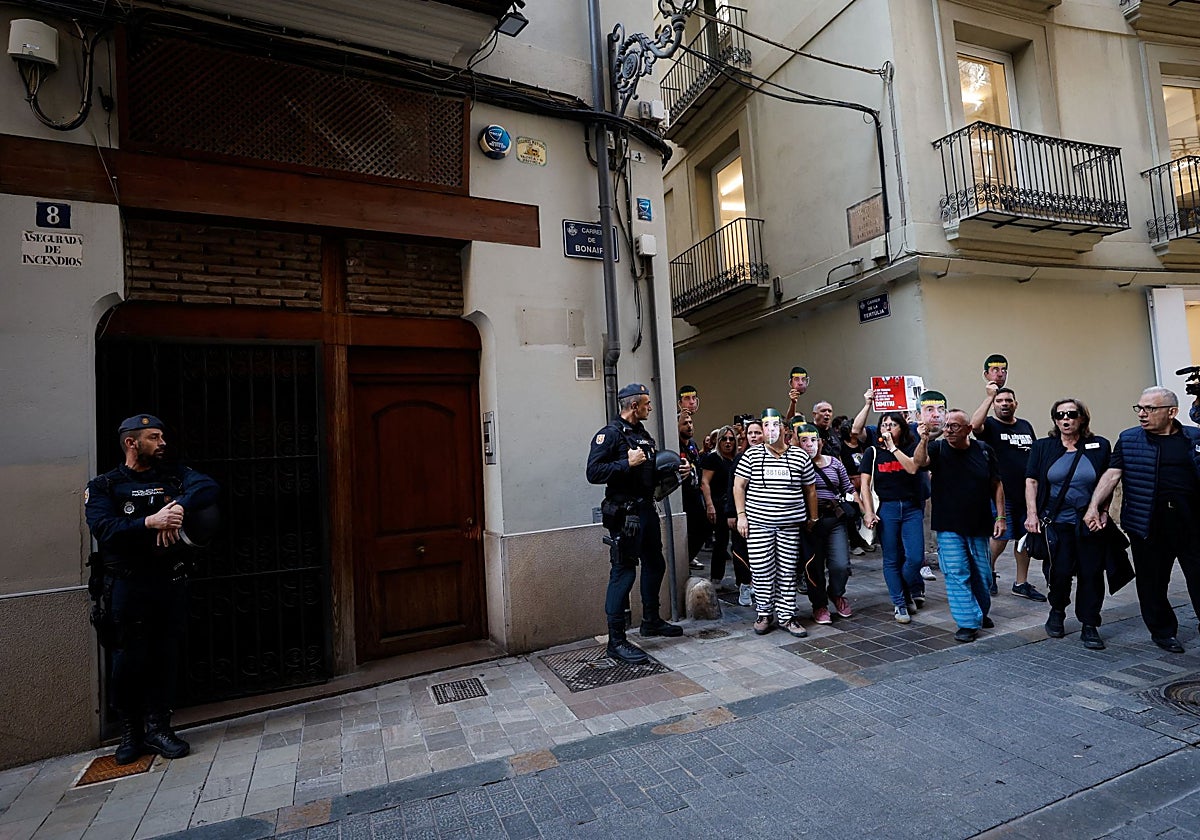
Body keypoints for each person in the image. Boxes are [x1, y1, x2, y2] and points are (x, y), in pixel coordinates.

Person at [85, 414, 220, 764]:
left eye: (161, 436)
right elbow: (104, 528)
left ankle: (160, 728)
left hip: (166, 580)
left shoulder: (173, 477)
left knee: (164, 655)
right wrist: (149, 522)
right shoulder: (104, 486)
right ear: (132, 443)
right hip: (126, 586)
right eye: (154, 437)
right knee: (127, 660)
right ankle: (131, 733)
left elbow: (209, 488)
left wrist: (177, 506)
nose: (162, 443)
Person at [1084, 387, 1200, 654]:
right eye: (1139, 408)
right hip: (1148, 525)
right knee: (1152, 583)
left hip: (1191, 524)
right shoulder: (1129, 439)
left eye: (1150, 409)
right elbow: (1112, 475)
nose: (1142, 414)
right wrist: (1094, 506)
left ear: (1172, 412)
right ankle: (1163, 632)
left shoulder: (1193, 438)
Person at [587, 384, 685, 665]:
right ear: (633, 406)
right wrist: (624, 463)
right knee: (623, 572)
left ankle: (651, 620)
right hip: (625, 515)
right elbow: (592, 472)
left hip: (646, 511)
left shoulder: (643, 436)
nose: (650, 408)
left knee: (656, 563)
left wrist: (676, 472)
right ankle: (616, 641)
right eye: (646, 403)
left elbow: (649, 476)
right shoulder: (610, 435)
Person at [1025, 399, 1111, 650]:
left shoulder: (1099, 446)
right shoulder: (1043, 447)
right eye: (1059, 415)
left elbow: (1109, 480)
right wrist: (1032, 514)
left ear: (1082, 418)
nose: (1066, 419)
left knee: (1091, 573)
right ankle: (1057, 610)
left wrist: (1103, 511)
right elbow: (1032, 481)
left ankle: (1090, 624)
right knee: (1059, 571)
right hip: (1056, 521)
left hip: (1089, 521)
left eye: (1071, 414)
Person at [914, 409, 1003, 643]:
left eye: (955, 426)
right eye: (947, 426)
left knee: (982, 575)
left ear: (968, 430)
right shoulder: (938, 448)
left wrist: (1001, 517)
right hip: (948, 525)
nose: (949, 430)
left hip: (979, 524)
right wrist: (924, 439)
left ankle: (979, 612)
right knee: (956, 572)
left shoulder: (984, 451)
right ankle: (967, 623)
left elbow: (996, 485)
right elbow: (918, 463)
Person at [733, 408, 818, 637]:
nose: (771, 430)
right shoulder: (751, 455)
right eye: (766, 426)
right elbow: (738, 486)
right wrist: (742, 516)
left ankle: (787, 616)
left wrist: (813, 517)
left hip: (790, 525)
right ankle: (764, 614)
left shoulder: (799, 456)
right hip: (759, 525)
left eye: (775, 425)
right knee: (761, 571)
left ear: (784, 429)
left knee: (788, 571)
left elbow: (810, 489)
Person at [971, 385, 1045, 602]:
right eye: (1000, 401)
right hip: (1001, 494)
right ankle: (988, 573)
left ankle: (1020, 583)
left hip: (1027, 495)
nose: (1004, 404)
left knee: (1024, 539)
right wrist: (988, 397)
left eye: (1008, 400)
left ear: (1015, 404)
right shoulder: (991, 426)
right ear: (994, 404)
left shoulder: (1025, 426)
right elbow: (974, 425)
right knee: (1001, 536)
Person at [860, 412, 927, 623]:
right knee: (891, 558)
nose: (888, 429)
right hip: (886, 509)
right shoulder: (871, 452)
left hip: (911, 507)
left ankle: (906, 590)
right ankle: (899, 603)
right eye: (884, 425)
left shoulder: (909, 449)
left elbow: (913, 467)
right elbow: (865, 485)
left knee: (915, 558)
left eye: (893, 425)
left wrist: (893, 449)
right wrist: (868, 512)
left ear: (902, 428)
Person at [795, 422, 855, 624]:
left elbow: (849, 489)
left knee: (840, 564)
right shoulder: (795, 464)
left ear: (820, 442)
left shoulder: (834, 463)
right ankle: (819, 605)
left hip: (834, 518)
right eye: (804, 440)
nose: (809, 444)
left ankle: (836, 593)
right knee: (813, 567)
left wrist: (866, 512)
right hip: (809, 523)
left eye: (813, 440)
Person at [725, 419, 764, 606]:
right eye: (751, 433)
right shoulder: (741, 458)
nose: (754, 437)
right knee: (741, 551)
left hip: (764, 515)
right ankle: (744, 585)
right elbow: (733, 487)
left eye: (757, 433)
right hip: (744, 514)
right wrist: (732, 513)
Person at [700, 425, 736, 589]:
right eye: (724, 439)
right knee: (721, 542)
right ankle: (716, 578)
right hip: (718, 504)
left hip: (735, 505)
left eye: (731, 439)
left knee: (738, 544)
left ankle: (744, 580)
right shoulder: (713, 458)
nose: (728, 442)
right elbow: (705, 483)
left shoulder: (736, 459)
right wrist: (709, 505)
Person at [678, 410, 708, 571]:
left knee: (703, 528)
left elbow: (695, 462)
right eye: (685, 423)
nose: (689, 426)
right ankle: (685, 562)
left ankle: (689, 558)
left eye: (690, 423)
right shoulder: (675, 445)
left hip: (696, 492)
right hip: (683, 496)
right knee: (689, 531)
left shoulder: (692, 444)